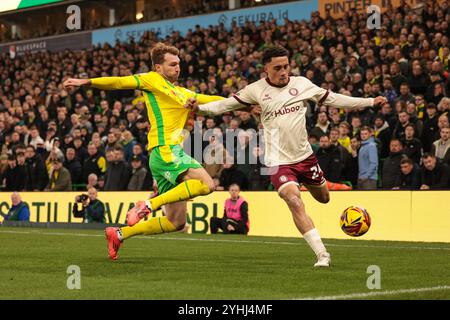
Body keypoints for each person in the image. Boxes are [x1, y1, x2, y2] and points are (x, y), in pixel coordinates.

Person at [187, 46, 387, 267]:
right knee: (294, 200)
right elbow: (224, 105)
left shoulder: (301, 84)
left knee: (323, 198)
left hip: (305, 158)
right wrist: (199, 109)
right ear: (266, 69)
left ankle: (315, 184)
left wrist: (369, 101)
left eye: (286, 66)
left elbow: (335, 99)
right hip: (278, 162)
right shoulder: (255, 90)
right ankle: (322, 254)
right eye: (278, 68)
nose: (284, 72)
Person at [63, 42, 225, 260]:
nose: (178, 68)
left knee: (175, 222)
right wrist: (86, 82)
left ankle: (119, 233)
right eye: (172, 64)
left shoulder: (182, 92)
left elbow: (214, 100)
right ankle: (148, 204)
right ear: (158, 67)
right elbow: (120, 82)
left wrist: (244, 102)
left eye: (179, 64)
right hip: (165, 150)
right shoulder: (152, 79)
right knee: (208, 184)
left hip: (164, 156)